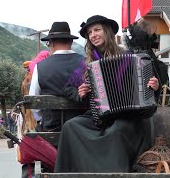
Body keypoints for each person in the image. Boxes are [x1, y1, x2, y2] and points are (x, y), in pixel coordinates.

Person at [54, 15, 160, 173]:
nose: (93, 35)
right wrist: (79, 92)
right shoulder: (87, 63)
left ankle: (116, 174)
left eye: (97, 30)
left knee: (118, 130)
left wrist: (154, 86)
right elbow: (68, 88)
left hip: (127, 116)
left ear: (108, 32)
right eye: (90, 33)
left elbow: (152, 83)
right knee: (70, 126)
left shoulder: (128, 57)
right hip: (99, 116)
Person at [29, 21, 87, 132]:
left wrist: (44, 118)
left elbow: (35, 104)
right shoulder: (86, 62)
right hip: (82, 129)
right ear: (70, 41)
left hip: (51, 129)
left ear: (52, 43)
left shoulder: (40, 67)